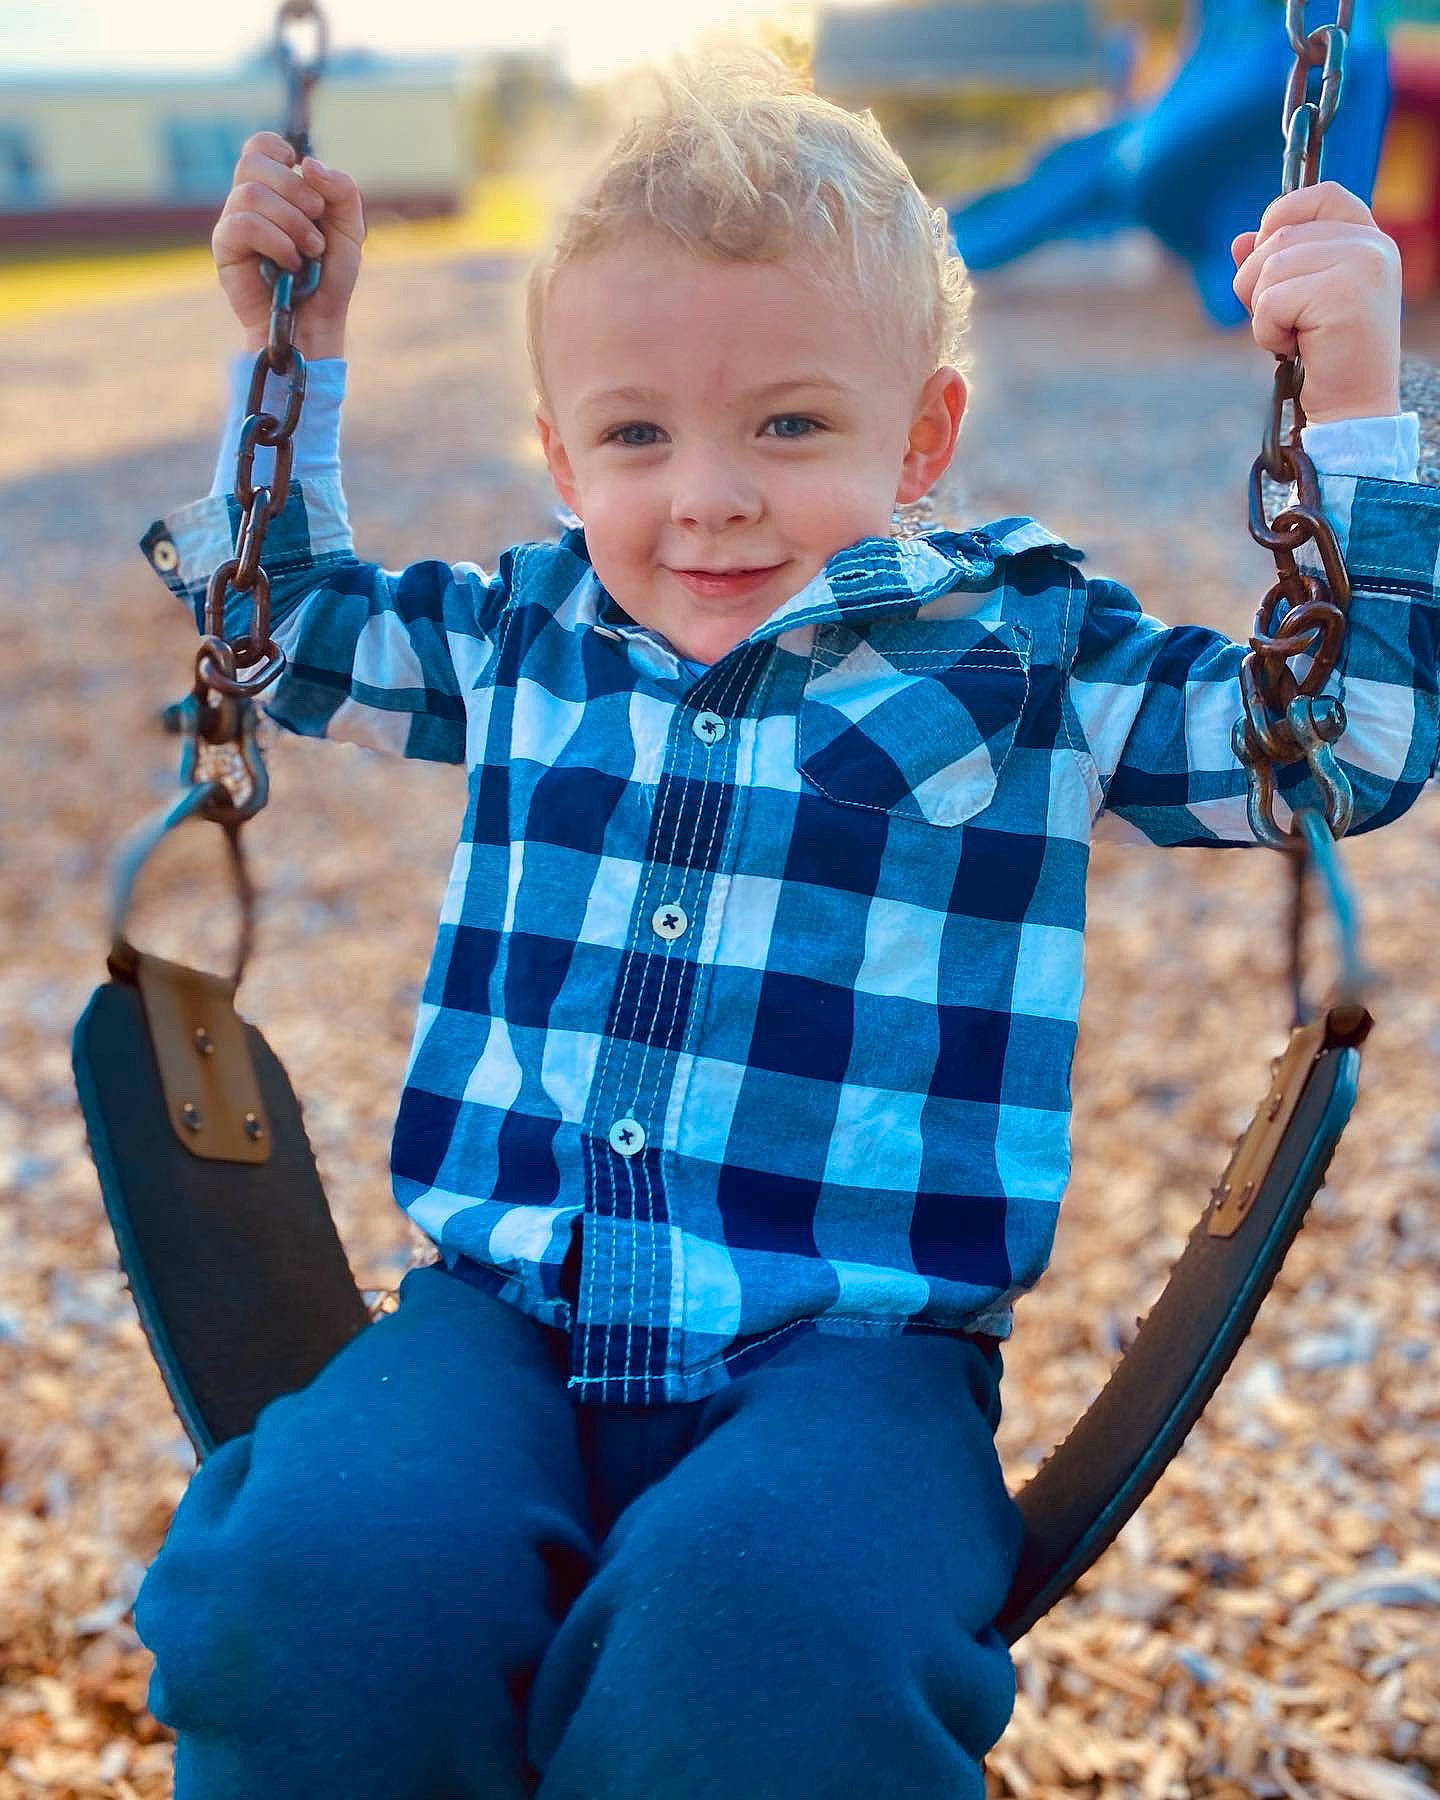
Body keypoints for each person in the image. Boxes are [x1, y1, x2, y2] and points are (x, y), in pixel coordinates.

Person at [132, 57, 1433, 1800]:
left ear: (923, 436)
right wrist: (287, 349)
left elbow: (1341, 741)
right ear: (560, 450)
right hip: (498, 1314)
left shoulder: (1026, 660)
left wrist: (1347, 386)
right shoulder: (529, 630)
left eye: (789, 425)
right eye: (638, 433)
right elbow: (277, 630)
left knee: (764, 1664)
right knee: (308, 1594)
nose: (710, 495)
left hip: (853, 1361)